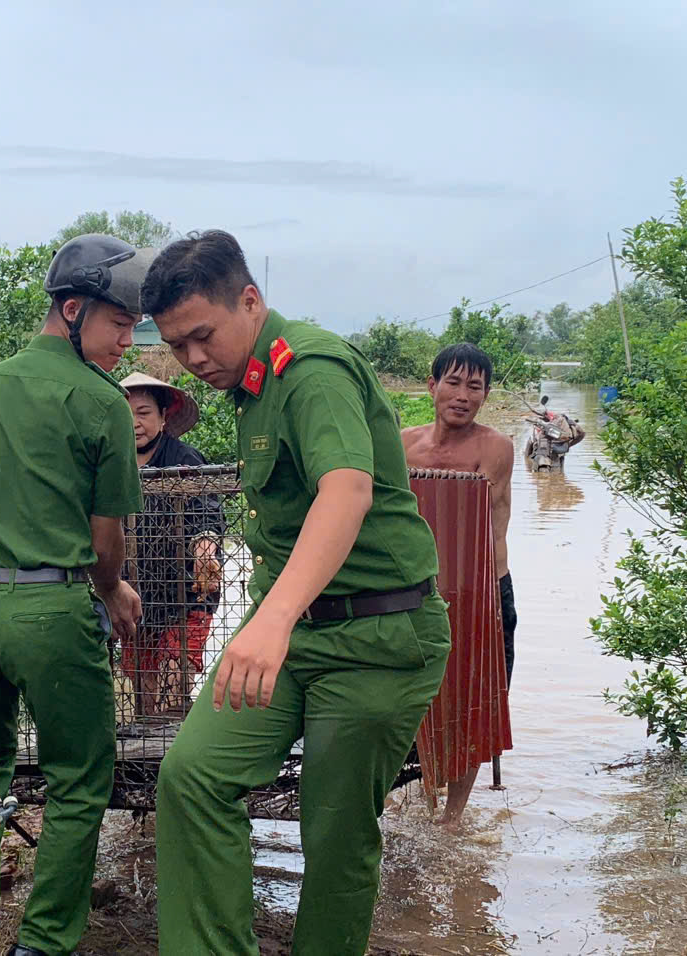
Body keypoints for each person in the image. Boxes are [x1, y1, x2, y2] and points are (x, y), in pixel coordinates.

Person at [142, 230, 451, 956]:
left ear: (250, 301)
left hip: (378, 633)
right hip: (294, 625)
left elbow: (345, 490)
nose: (192, 360)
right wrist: (278, 614)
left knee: (335, 834)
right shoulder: (251, 385)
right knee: (192, 778)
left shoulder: (309, 369)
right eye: (176, 346)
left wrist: (272, 616)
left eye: (202, 337)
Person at [0, 234, 150, 956]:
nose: (126, 341)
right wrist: (111, 592)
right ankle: (43, 942)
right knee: (80, 775)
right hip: (53, 612)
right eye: (119, 324)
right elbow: (106, 539)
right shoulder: (100, 403)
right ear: (75, 309)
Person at [401, 343, 516, 830]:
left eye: (475, 386)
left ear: (486, 395)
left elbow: (480, 521)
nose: (462, 395)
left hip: (483, 593)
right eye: (453, 382)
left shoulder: (496, 448)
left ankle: (452, 820)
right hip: (415, 593)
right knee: (408, 701)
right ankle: (417, 799)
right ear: (432, 386)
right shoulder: (402, 444)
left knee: (476, 705)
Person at [119, 372, 224, 716]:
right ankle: (146, 768)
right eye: (125, 412)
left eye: (144, 412)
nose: (134, 423)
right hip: (135, 595)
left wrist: (205, 548)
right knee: (146, 697)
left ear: (163, 417)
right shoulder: (111, 463)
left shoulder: (185, 459)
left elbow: (207, 510)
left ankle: (176, 763)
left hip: (185, 594)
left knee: (172, 687)